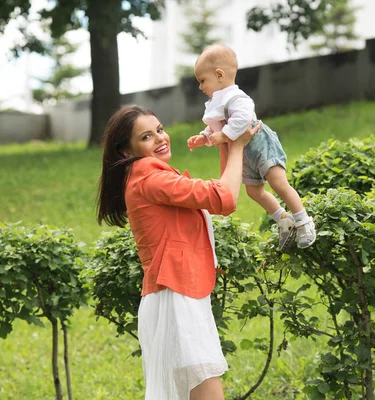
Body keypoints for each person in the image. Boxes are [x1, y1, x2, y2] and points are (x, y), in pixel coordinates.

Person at [96, 104, 259, 400]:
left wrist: (229, 142)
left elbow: (221, 190)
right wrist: (237, 148)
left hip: (176, 295)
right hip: (176, 298)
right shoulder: (148, 176)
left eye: (159, 129)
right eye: (146, 137)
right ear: (125, 151)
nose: (160, 138)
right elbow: (224, 198)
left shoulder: (145, 175)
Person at [187, 43, 317, 251]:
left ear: (219, 75)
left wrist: (225, 134)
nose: (201, 87)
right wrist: (204, 136)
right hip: (243, 151)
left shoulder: (235, 97)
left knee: (278, 183)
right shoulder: (215, 101)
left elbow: (243, 117)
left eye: (203, 81)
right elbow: (216, 126)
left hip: (260, 143)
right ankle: (284, 220)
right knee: (254, 191)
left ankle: (304, 221)